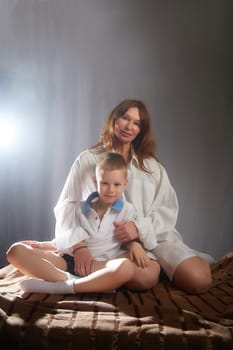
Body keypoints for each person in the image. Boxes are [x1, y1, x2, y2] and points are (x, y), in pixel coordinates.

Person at [7, 152, 160, 294]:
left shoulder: (127, 210)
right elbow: (66, 238)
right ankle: (69, 280)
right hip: (68, 263)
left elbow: (130, 237)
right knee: (15, 251)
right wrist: (43, 246)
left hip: (100, 266)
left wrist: (135, 244)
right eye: (105, 183)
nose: (110, 190)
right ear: (95, 181)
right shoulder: (77, 208)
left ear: (125, 184)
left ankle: (66, 287)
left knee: (127, 268)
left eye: (117, 184)